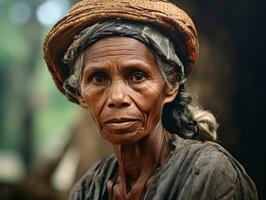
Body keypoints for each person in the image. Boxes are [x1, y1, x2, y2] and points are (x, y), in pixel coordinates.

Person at [43, 0, 258, 199]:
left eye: (137, 76)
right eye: (98, 78)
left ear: (170, 86)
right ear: (80, 94)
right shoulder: (88, 189)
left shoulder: (209, 175)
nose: (117, 98)